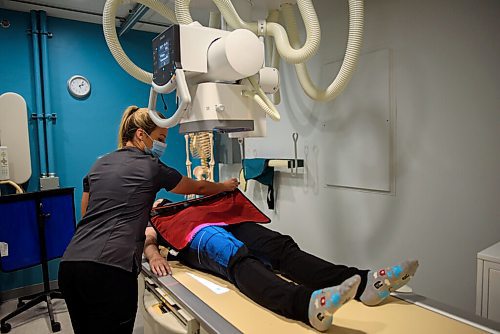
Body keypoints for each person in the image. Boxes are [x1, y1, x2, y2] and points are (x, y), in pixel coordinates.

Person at [58, 105, 239, 334]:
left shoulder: (99, 164)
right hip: (111, 271)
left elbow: (87, 215)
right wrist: (224, 186)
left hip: (71, 266)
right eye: (160, 138)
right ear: (140, 135)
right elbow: (199, 186)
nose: (162, 145)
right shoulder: (152, 167)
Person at [144, 196, 419, 332]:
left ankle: (367, 283)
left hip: (219, 220)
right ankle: (305, 305)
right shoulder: (155, 217)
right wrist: (154, 254)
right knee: (236, 255)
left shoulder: (185, 204)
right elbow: (148, 238)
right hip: (194, 238)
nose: (162, 202)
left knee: (279, 247)